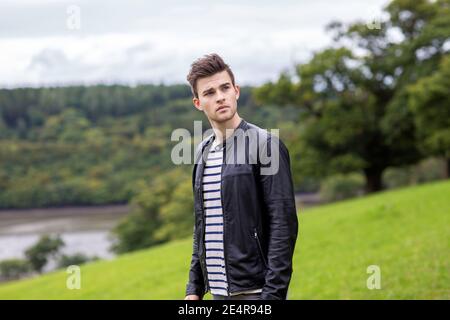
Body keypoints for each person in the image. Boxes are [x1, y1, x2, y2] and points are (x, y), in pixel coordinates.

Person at [184, 53, 298, 300]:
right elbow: (202, 225)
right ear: (198, 103)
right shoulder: (202, 152)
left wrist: (273, 296)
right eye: (209, 92)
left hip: (257, 292)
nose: (220, 96)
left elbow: (283, 224)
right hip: (217, 293)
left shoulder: (266, 145)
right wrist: (194, 288)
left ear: (236, 91)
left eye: (225, 88)